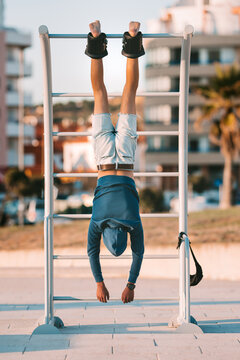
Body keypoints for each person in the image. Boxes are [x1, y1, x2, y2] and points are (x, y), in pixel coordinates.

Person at [86, 20, 145, 304]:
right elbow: (91, 253)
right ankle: (96, 39)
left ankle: (132, 39)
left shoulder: (133, 222)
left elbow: (139, 253)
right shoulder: (98, 221)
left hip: (127, 159)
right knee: (99, 93)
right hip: (103, 160)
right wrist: (100, 283)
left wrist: (131, 284)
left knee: (129, 92)